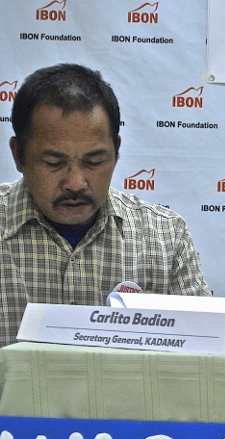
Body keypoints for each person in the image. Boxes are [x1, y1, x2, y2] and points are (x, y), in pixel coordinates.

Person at [0, 63, 211, 347]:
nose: (75, 183)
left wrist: (174, 326)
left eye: (94, 162)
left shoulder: (166, 236)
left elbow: (208, 351)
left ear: (117, 151)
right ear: (18, 155)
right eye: (53, 163)